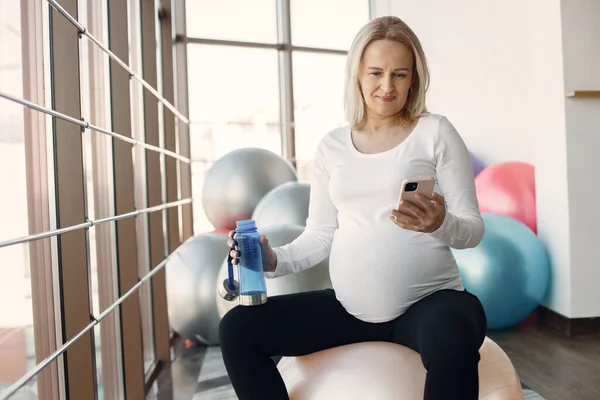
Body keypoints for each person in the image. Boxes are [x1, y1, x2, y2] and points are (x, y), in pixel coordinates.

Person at [219, 15, 487, 400]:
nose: (386, 86)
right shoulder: (332, 146)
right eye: (376, 72)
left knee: (454, 332)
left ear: (414, 78)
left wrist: (440, 223)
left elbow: (473, 229)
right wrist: (271, 259)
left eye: (400, 74)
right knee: (237, 328)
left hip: (430, 304)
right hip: (348, 310)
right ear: (357, 75)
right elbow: (320, 235)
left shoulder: (435, 132)